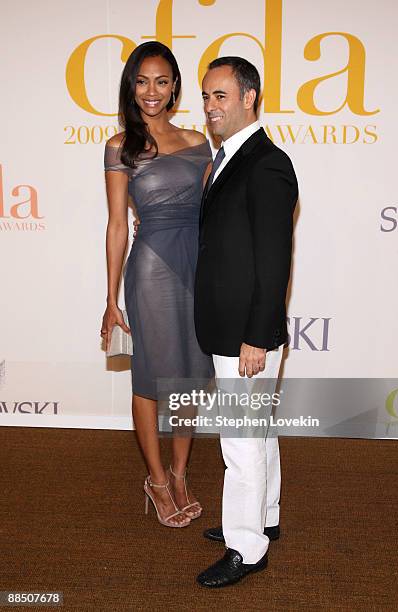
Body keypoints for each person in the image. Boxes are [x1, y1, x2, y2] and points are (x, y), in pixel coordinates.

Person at [100, 41, 214, 528]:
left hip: (198, 265)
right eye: (143, 81)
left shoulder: (197, 141)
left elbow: (214, 212)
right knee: (149, 376)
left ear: (175, 88)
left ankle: (181, 472)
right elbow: (117, 225)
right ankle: (157, 480)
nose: (152, 91)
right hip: (150, 269)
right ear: (132, 86)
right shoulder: (120, 146)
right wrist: (109, 298)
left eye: (162, 81)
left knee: (189, 374)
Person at [194, 57, 298, 586]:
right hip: (231, 326)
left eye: (221, 96)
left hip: (246, 334)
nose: (211, 107)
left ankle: (247, 548)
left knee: (240, 440)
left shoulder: (266, 163)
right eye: (206, 96)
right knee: (258, 433)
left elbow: (274, 258)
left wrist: (256, 337)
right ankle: (265, 518)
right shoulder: (229, 158)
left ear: (250, 97)